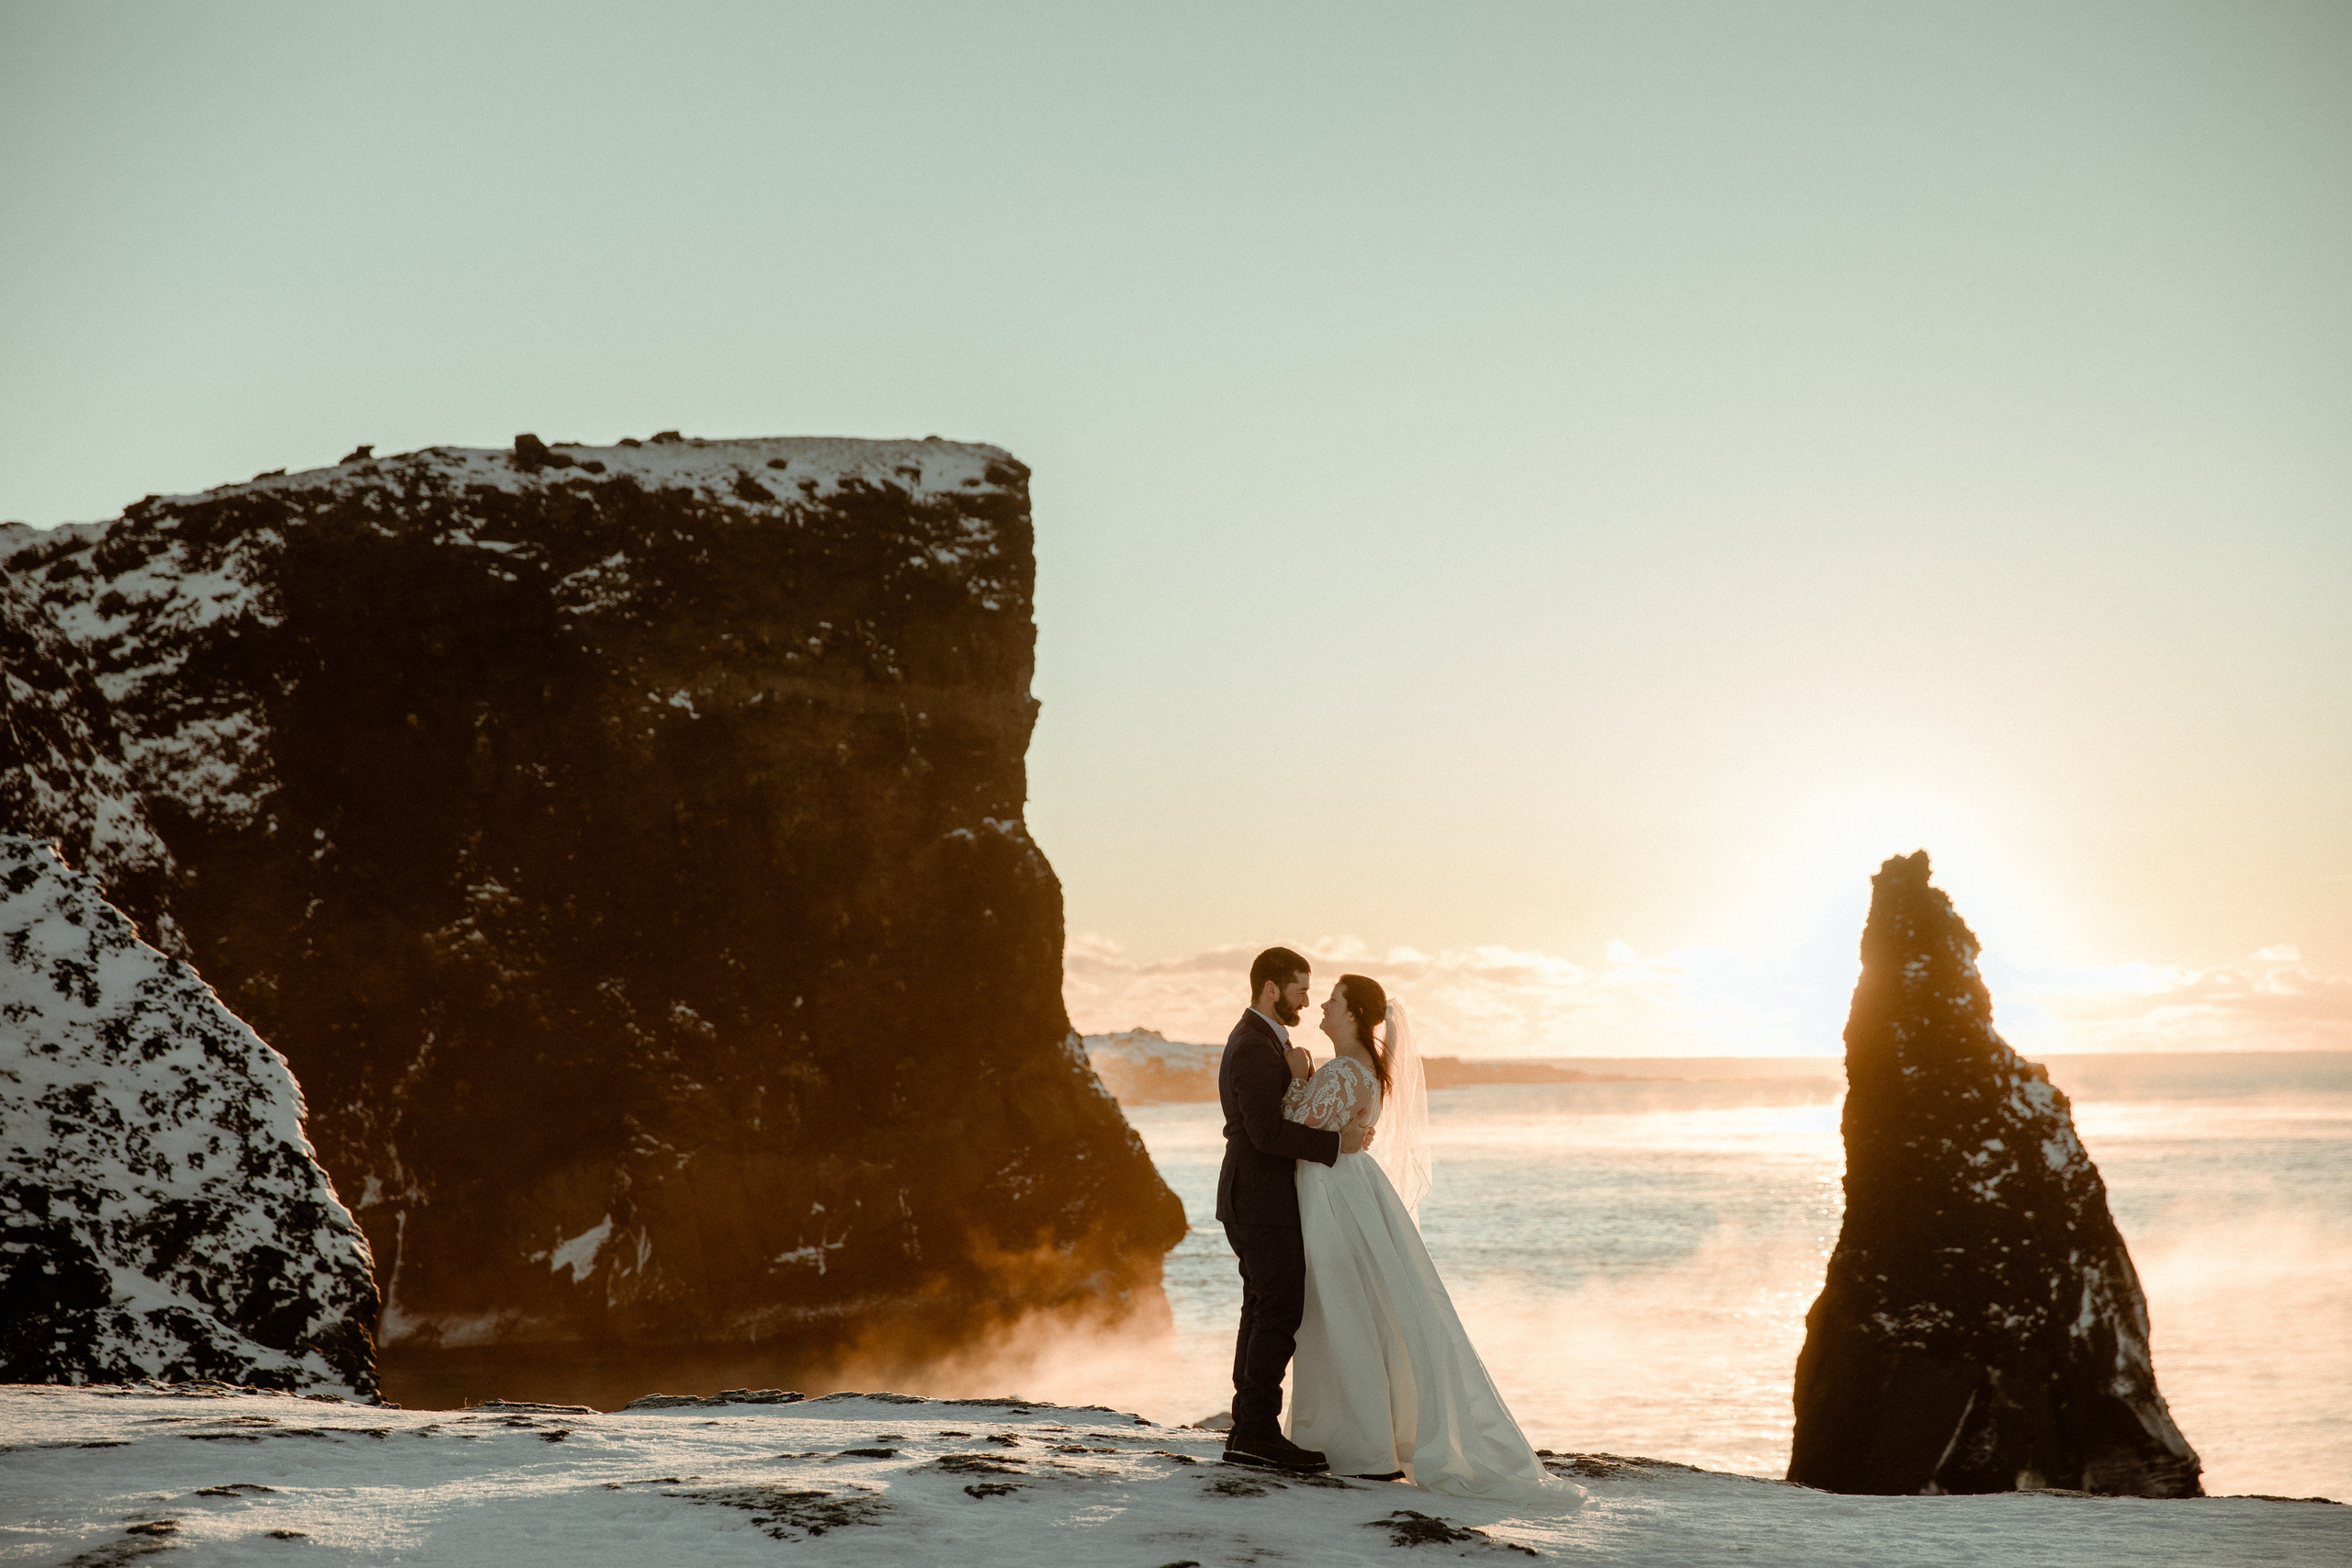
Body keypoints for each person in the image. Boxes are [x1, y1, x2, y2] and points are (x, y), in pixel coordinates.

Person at [1280, 973, 1583, 1505]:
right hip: (1351, 1188)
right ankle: (1366, 1440)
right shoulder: (1366, 1070)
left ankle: (1358, 1446)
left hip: (1332, 1195)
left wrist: (1295, 1074)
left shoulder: (1340, 1072)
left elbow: (1292, 1126)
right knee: (1359, 1313)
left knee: (1341, 1313)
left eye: (1332, 1001)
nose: (1322, 1007)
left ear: (1352, 1016)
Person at [1216, 946, 1373, 1472]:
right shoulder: (1254, 1047)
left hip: (1256, 1198)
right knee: (1279, 1309)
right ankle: (1256, 1433)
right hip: (1259, 1199)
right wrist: (1336, 1147)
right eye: (1302, 989)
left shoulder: (1265, 1042)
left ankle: (1248, 1429)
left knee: (1262, 1308)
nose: (1308, 999)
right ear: (1270, 988)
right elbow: (1264, 1132)